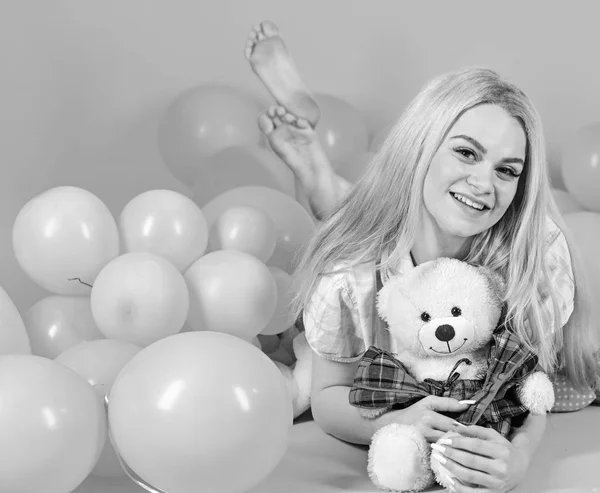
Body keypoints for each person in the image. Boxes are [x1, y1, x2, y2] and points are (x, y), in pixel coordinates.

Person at [246, 21, 599, 493]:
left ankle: (327, 186)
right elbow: (329, 396)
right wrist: (394, 425)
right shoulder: (350, 275)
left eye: (507, 170)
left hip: (465, 365)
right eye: (466, 153)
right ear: (423, 146)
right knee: (298, 381)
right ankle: (319, 180)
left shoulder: (534, 254)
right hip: (379, 343)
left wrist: (519, 456)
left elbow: (533, 384)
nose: (484, 184)